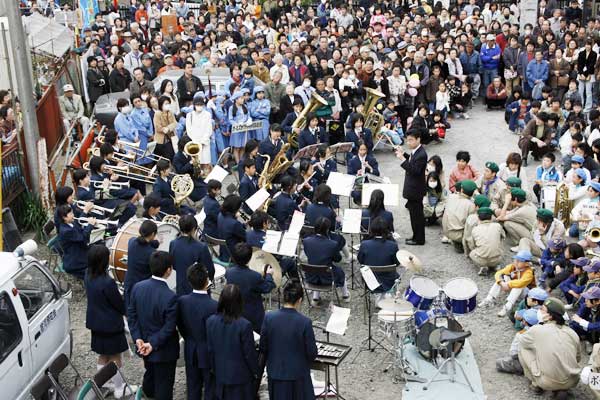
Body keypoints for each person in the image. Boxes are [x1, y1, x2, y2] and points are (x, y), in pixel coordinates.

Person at [84, 244, 135, 398]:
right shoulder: (107, 282)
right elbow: (118, 304)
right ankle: (119, 389)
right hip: (111, 324)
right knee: (115, 357)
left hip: (95, 322)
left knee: (103, 355)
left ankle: (104, 383)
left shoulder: (87, 274)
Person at [128, 251, 179, 400]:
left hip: (143, 345)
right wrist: (153, 343)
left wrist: (137, 338)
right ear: (168, 270)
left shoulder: (138, 287)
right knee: (164, 386)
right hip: (163, 351)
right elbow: (169, 327)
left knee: (150, 374)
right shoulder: (170, 296)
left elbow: (132, 316)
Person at [259, 282, 318, 400]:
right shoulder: (305, 322)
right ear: (299, 300)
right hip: (298, 376)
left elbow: (263, 346)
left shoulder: (269, 317)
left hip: (276, 374)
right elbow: (312, 353)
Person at [206, 284, 260, 400]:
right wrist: (256, 371)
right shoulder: (244, 325)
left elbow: (210, 350)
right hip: (240, 378)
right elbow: (249, 354)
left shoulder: (210, 321)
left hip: (220, 374)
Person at [518, 298, 581, 397]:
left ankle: (536, 384)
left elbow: (523, 341)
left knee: (523, 348)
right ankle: (563, 388)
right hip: (573, 380)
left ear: (550, 316)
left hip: (548, 382)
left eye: (542, 309)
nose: (539, 311)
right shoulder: (572, 333)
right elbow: (578, 358)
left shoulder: (537, 330)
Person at [177, 263, 218, 400]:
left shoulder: (182, 301)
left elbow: (180, 325)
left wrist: (188, 338)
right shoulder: (214, 305)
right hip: (208, 351)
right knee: (210, 387)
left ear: (189, 281)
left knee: (192, 386)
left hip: (191, 348)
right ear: (207, 281)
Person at [225, 242, 276, 332]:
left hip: (236, 311)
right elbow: (267, 287)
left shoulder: (229, 272)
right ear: (249, 258)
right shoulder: (254, 276)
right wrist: (269, 275)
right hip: (253, 315)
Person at [479, 250, 536, 317]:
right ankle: (488, 299)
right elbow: (499, 273)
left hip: (526, 295)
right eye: (516, 259)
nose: (516, 262)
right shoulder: (512, 266)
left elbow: (521, 283)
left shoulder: (529, 272)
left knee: (519, 286)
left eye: (519, 261)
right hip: (513, 288)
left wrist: (508, 284)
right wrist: (501, 282)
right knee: (502, 277)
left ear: (527, 264)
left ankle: (507, 307)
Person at [169, 215, 215, 296]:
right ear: (193, 228)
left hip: (181, 285)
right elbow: (210, 270)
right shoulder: (201, 247)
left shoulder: (173, 243)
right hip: (199, 287)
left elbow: (174, 265)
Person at [395, 129, 427, 245]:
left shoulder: (422, 154)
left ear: (418, 139)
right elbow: (412, 160)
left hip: (416, 190)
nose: (408, 142)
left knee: (417, 216)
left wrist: (402, 159)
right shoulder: (416, 151)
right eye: (407, 140)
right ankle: (416, 236)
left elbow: (414, 170)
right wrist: (403, 153)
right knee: (414, 216)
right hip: (414, 189)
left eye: (411, 140)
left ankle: (419, 239)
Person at [358, 217, 400, 297]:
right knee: (397, 275)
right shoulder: (393, 245)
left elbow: (361, 260)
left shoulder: (364, 244)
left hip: (370, 280)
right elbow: (396, 263)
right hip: (388, 280)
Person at [123, 220, 159, 308]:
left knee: (130, 309)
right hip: (142, 287)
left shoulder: (131, 242)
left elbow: (143, 241)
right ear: (153, 234)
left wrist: (154, 242)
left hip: (129, 282)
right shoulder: (152, 253)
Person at [56, 204, 97, 279]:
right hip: (75, 260)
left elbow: (78, 226)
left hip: (80, 249)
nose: (73, 215)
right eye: (71, 214)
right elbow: (82, 238)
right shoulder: (66, 231)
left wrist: (86, 216)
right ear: (64, 217)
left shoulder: (70, 223)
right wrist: (90, 225)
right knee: (96, 268)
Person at [496, 308, 540, 375]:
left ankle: (520, 369)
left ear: (524, 322)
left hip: (524, 361)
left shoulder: (521, 334)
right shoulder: (541, 331)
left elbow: (513, 353)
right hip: (538, 360)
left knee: (499, 362)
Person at [465, 207, 505, 275]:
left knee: (472, 253)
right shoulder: (497, 226)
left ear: (478, 217)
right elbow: (503, 236)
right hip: (497, 258)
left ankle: (483, 266)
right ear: (492, 217)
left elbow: (472, 245)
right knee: (499, 244)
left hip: (481, 259)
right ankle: (496, 265)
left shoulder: (475, 229)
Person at [442, 180, 477, 252]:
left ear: (461, 189)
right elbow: (471, 224)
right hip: (459, 235)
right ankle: (464, 243)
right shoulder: (471, 205)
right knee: (476, 221)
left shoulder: (451, 197)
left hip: (446, 231)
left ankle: (455, 240)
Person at [217, 194, 247, 262]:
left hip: (224, 250)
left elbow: (230, 229)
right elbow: (245, 237)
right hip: (233, 253)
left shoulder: (220, 215)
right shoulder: (234, 223)